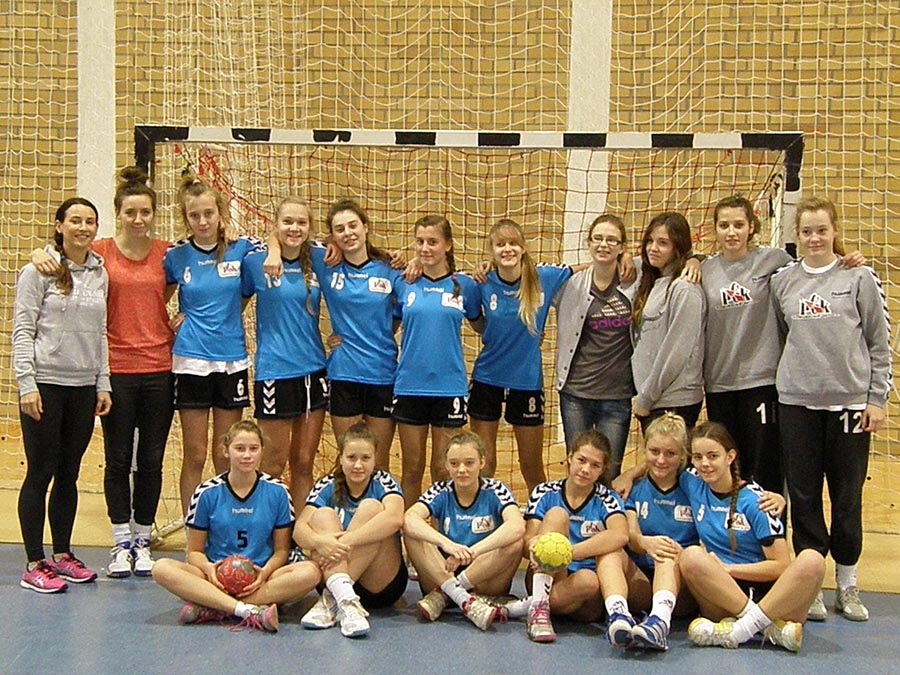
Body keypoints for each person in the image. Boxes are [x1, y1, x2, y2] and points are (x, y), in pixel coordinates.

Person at [29, 168, 176, 579]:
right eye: (130, 212)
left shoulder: (168, 254)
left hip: (160, 368)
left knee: (151, 459)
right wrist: (38, 252)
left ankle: (143, 539)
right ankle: (120, 542)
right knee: (117, 460)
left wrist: (184, 318)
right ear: (118, 214)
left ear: (154, 214)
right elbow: (61, 253)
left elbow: (199, 274)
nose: (138, 219)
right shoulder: (101, 253)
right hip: (116, 371)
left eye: (145, 212)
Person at [770, 196, 891, 623]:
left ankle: (848, 582)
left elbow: (879, 342)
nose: (814, 238)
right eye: (806, 231)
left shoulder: (859, 276)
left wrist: (875, 399)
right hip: (797, 404)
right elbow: (781, 337)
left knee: (846, 496)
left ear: (835, 231)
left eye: (822, 230)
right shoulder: (783, 282)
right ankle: (811, 584)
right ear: (797, 236)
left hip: (849, 405)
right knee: (803, 497)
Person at [13, 197, 112, 593]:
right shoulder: (37, 271)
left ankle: (62, 554)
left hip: (82, 388)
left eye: (90, 221)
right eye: (75, 221)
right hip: (45, 386)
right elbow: (23, 330)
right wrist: (27, 383)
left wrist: (102, 382)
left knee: (69, 473)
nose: (83, 228)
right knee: (41, 472)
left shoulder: (100, 274)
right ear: (59, 226)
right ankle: (34, 562)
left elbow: (101, 333)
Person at [264, 198, 402, 470]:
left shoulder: (390, 269)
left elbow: (398, 313)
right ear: (332, 236)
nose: (348, 233)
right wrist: (273, 249)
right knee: (348, 461)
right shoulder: (325, 263)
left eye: (353, 226)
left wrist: (375, 335)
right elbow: (282, 236)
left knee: (379, 462)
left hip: (383, 373)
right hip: (343, 374)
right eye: (339, 229)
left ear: (365, 227)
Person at [152, 420, 320, 632]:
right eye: (240, 449)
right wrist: (210, 570)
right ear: (226, 451)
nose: (247, 455)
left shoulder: (278, 492)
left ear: (262, 451)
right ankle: (248, 609)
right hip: (215, 577)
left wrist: (265, 572)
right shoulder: (206, 493)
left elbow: (281, 551)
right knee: (161, 568)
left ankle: (215, 606)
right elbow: (194, 552)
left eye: (253, 449)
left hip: (261, 576)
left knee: (311, 572)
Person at [164, 175, 261, 515]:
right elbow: (153, 297)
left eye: (209, 213)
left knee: (225, 453)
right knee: (195, 454)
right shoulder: (176, 255)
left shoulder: (241, 248)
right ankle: (193, 525)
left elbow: (248, 291)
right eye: (195, 215)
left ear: (220, 213)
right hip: (191, 360)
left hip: (231, 360)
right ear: (186, 218)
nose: (203, 221)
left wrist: (225, 317)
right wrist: (171, 320)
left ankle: (223, 521)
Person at [681, 422, 825, 652]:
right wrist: (628, 477)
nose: (704, 463)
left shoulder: (757, 502)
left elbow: (780, 566)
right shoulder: (693, 482)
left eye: (713, 456)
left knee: (813, 560)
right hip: (723, 593)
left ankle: (738, 630)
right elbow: (658, 464)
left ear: (730, 457)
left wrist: (729, 569)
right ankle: (770, 630)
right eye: (698, 457)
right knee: (690, 556)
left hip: (770, 597)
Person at [469, 218, 572, 490]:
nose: (507, 249)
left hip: (526, 382)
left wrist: (621, 259)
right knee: (485, 463)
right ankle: (483, 510)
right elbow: (477, 322)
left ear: (523, 247)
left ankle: (539, 512)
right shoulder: (482, 282)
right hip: (487, 379)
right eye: (500, 244)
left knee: (531, 465)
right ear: (491, 251)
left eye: (513, 243)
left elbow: (586, 268)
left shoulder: (544, 278)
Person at [393, 215, 483, 507]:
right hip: (410, 386)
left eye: (432, 241)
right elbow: (383, 327)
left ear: (448, 245)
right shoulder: (404, 283)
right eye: (420, 241)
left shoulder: (465, 286)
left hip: (449, 388)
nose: (425, 248)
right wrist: (341, 337)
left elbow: (483, 327)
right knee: (412, 469)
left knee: (444, 470)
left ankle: (443, 528)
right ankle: (409, 530)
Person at [242, 197, 327, 505]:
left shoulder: (321, 258)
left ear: (310, 227)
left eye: (301, 222)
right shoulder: (256, 262)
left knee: (303, 462)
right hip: (275, 372)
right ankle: (266, 526)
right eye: (287, 221)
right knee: (272, 465)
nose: (294, 228)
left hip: (314, 372)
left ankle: (300, 529)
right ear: (276, 224)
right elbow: (232, 304)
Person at [510, 430, 630, 644]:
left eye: (595, 465)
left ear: (603, 470)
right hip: (546, 573)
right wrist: (535, 544)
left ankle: (519, 608)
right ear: (569, 457)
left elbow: (620, 535)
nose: (585, 469)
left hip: (584, 593)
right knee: (557, 515)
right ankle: (539, 610)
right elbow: (527, 542)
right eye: (581, 460)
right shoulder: (544, 492)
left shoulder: (607, 498)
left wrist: (567, 553)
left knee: (589, 580)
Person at [404, 431, 524, 631]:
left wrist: (472, 552)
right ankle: (465, 600)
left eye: (469, 463)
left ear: (482, 462)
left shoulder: (496, 490)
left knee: (515, 542)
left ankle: (447, 594)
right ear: (446, 465)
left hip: (483, 576)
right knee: (412, 533)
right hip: (444, 571)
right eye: (454, 463)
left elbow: (516, 525)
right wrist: (447, 544)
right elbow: (409, 519)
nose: (461, 470)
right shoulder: (440, 490)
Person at [294, 423, 406, 638]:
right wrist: (320, 542)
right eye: (351, 457)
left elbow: (394, 519)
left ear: (375, 460)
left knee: (371, 509)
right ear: (341, 458)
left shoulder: (383, 481)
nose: (358, 465)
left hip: (380, 585)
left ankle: (330, 600)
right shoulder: (327, 484)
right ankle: (345, 600)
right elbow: (299, 530)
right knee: (322, 515)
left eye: (365, 458)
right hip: (336, 573)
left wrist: (345, 541)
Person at [554, 214, 639, 478]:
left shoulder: (635, 280)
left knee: (609, 472)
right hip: (576, 393)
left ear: (622, 247)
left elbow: (671, 263)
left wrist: (694, 260)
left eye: (612, 240)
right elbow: (528, 277)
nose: (604, 244)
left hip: (617, 395)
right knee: (579, 472)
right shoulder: (570, 284)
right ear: (588, 243)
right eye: (598, 238)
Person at [616, 413, 698, 650]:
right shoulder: (633, 489)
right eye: (654, 451)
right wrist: (645, 543)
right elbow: (631, 536)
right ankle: (618, 615)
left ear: (682, 456)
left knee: (666, 550)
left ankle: (660, 622)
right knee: (612, 553)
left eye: (670, 453)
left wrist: (773, 497)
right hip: (642, 584)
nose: (661, 460)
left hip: (683, 588)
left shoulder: (694, 486)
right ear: (645, 451)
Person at [631, 212, 705, 432]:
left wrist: (646, 397)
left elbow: (676, 351)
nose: (653, 248)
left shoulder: (685, 288)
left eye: (663, 243)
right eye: (650, 241)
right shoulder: (652, 282)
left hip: (674, 401)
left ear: (677, 248)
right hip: (654, 399)